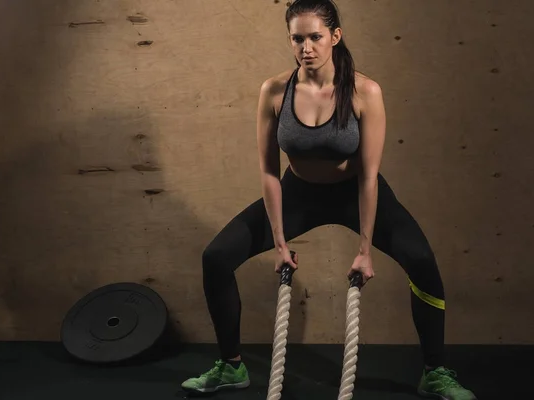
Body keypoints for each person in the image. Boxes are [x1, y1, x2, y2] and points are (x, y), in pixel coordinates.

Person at [181, 1, 477, 399]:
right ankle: (231, 366)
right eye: (297, 38)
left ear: (335, 37)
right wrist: (281, 243)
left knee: (422, 261)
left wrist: (365, 250)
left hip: (355, 191)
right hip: (298, 194)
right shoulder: (274, 91)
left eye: (315, 37)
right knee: (216, 257)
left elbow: (369, 176)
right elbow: (269, 172)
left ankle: (435, 371)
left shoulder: (364, 91)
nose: (306, 47)